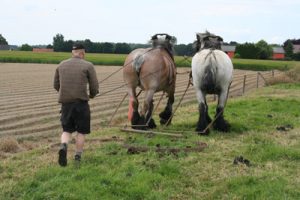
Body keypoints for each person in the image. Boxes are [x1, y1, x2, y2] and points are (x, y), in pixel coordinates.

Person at [53, 43, 99, 167]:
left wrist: (66, 93)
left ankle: (64, 145)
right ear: (82, 53)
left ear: (73, 52)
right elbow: (94, 86)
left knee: (66, 130)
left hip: (66, 104)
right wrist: (92, 95)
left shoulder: (61, 65)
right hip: (81, 104)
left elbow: (56, 85)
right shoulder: (88, 65)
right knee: (81, 131)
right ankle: (77, 156)